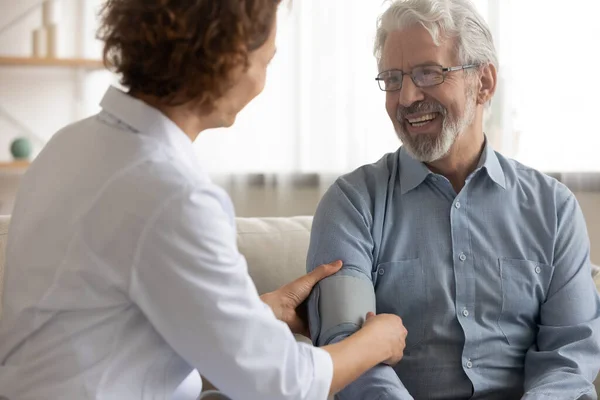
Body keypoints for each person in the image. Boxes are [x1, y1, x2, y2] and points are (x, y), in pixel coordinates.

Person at [0, 1, 408, 399]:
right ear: (229, 60)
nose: (263, 83)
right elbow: (281, 385)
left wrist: (261, 312)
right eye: (266, 62)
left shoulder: (71, 144)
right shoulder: (171, 195)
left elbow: (114, 319)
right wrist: (377, 341)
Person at [306, 0, 600, 399]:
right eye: (392, 78)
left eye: (428, 73)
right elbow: (349, 354)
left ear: (484, 82)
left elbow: (569, 356)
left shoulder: (554, 209)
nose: (407, 97)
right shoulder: (352, 204)